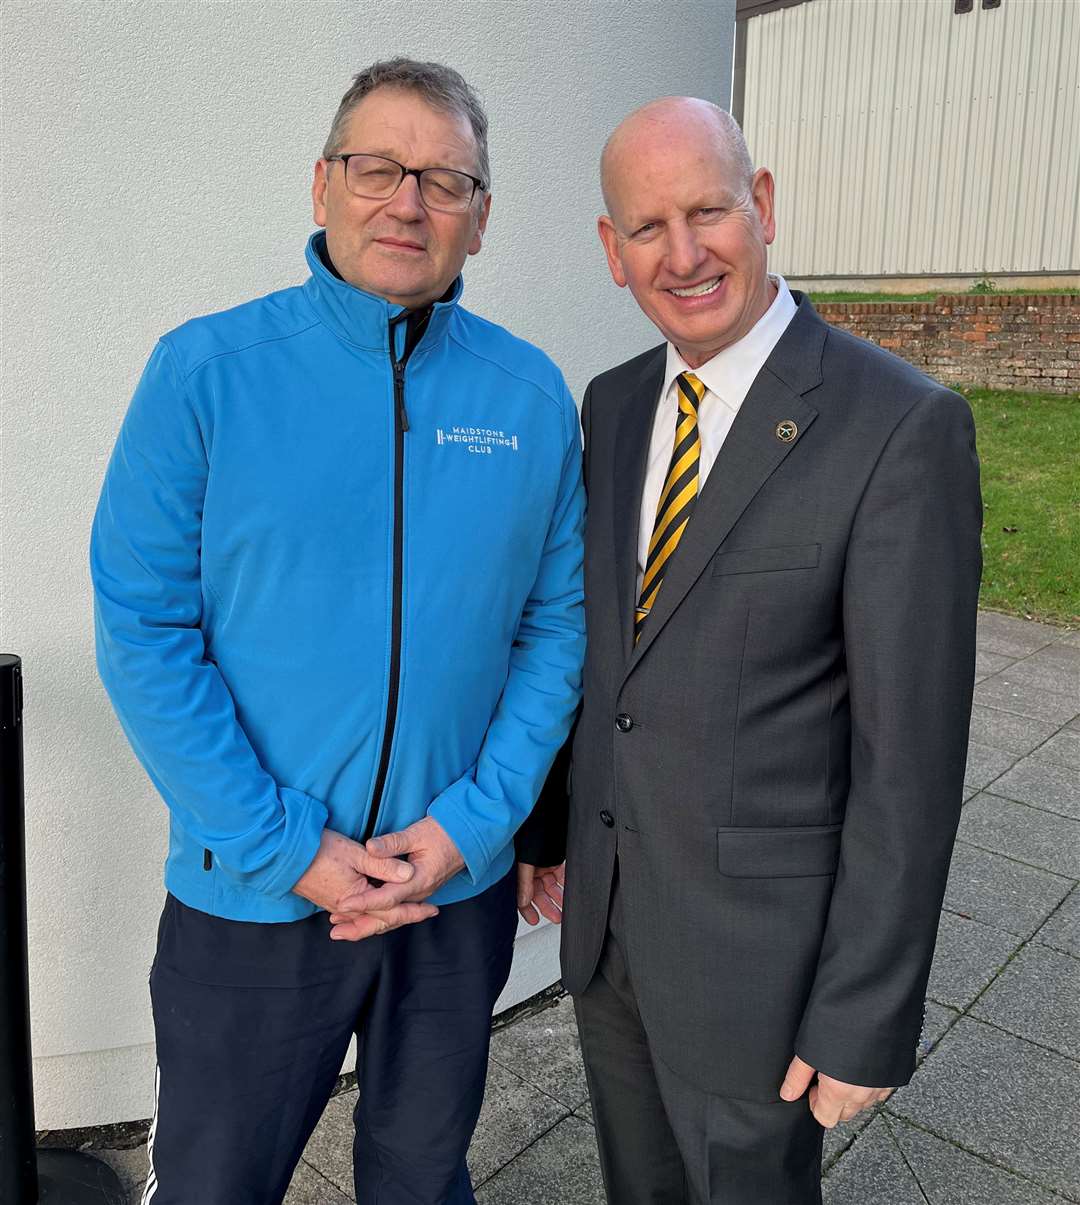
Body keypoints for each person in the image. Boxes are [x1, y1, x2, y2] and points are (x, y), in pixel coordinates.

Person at [91, 58, 584, 1205]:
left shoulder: (527, 396)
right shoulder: (206, 374)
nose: (408, 202)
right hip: (253, 892)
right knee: (217, 1182)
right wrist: (285, 846)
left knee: (420, 1173)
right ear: (324, 186)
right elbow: (146, 630)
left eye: (445, 180)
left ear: (482, 216)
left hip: (447, 895)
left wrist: (469, 826)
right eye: (379, 168)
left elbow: (554, 629)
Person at [516, 97, 982, 1205]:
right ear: (610, 249)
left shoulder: (900, 426)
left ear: (761, 204)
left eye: (708, 210)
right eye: (646, 227)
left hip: (758, 969)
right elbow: (604, 651)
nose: (682, 254)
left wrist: (865, 1012)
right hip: (611, 931)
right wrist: (546, 824)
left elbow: (908, 760)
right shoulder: (618, 402)